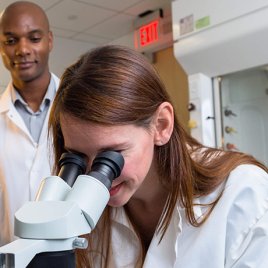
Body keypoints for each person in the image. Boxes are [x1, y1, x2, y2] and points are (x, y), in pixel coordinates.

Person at [49, 45, 268, 268]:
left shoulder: (243, 193)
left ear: (161, 125)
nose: (94, 177)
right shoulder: (84, 210)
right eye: (77, 157)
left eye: (111, 156)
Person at [0, 1, 59, 246]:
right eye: (11, 41)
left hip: (76, 256)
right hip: (10, 254)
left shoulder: (81, 107)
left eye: (34, 38)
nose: (23, 50)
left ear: (50, 41)